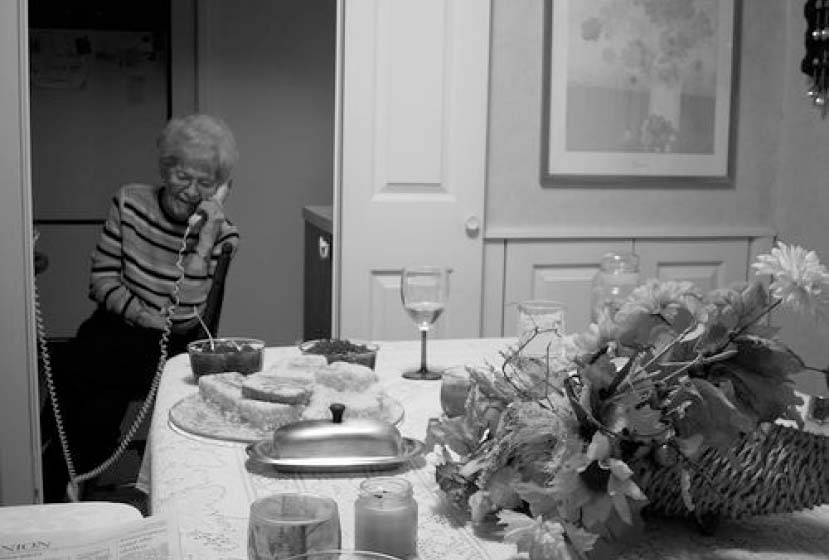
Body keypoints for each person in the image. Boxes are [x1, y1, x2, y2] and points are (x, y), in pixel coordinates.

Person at [43, 113, 240, 500]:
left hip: (170, 344)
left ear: (220, 188)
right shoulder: (130, 202)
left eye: (206, 183)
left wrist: (204, 238)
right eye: (183, 177)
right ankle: (58, 470)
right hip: (119, 323)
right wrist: (141, 314)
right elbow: (100, 282)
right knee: (68, 368)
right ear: (166, 169)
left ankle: (70, 478)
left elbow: (183, 318)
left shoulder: (221, 233)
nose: (190, 191)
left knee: (95, 385)